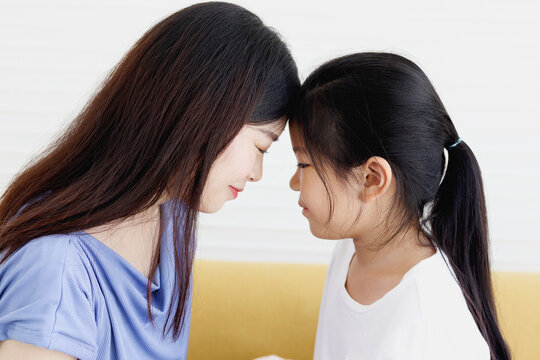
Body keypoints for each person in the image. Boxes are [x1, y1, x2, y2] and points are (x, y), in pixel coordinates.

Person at [0, 2, 299, 359]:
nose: (257, 172)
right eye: (262, 146)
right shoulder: (57, 269)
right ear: (206, 114)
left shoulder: (171, 214)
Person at [288, 53, 510, 359]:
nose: (294, 182)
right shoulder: (352, 250)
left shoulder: (425, 321)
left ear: (371, 179)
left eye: (303, 164)